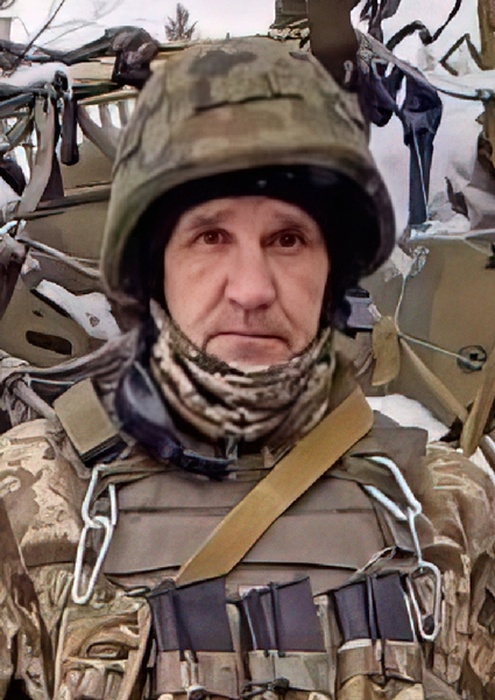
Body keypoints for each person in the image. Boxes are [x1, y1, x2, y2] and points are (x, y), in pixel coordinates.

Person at [1, 36, 495, 700]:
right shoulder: (26, 497)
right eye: (210, 236)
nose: (252, 289)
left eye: (288, 239)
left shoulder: (449, 504)